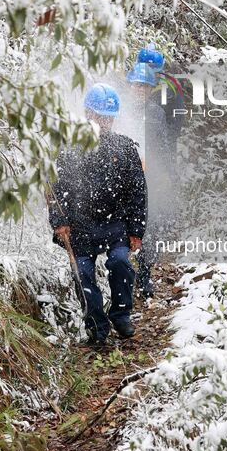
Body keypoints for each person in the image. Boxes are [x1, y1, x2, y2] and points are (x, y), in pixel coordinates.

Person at [48, 83, 147, 346]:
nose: (103, 122)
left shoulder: (125, 149)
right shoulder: (67, 147)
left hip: (115, 225)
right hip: (80, 226)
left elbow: (138, 191)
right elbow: (55, 188)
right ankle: (96, 326)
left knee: (120, 263)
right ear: (87, 114)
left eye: (108, 117)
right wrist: (59, 222)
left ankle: (121, 314)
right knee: (82, 272)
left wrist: (136, 230)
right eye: (98, 116)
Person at [125, 62, 173, 298]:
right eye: (137, 85)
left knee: (149, 226)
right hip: (123, 177)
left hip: (149, 177)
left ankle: (144, 276)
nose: (140, 90)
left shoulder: (156, 114)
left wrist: (164, 173)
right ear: (130, 85)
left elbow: (163, 146)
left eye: (144, 87)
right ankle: (124, 276)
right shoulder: (120, 109)